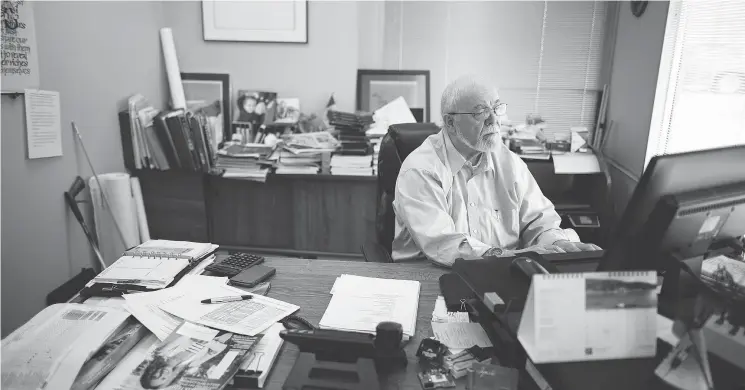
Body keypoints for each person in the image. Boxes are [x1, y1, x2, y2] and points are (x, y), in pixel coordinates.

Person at [392, 75, 600, 267]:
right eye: (480, 112)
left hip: (503, 270)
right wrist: (525, 256)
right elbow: (445, 247)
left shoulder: (510, 163)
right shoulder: (421, 170)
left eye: (497, 108)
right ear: (450, 123)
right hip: (428, 276)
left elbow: (540, 221)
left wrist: (558, 244)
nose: (494, 120)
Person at [139, 333, 230, 389]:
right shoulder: (193, 364)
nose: (163, 374)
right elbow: (220, 348)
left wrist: (208, 342)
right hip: (221, 334)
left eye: (155, 376)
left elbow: (187, 334)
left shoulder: (163, 351)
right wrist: (208, 342)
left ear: (150, 371)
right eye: (163, 379)